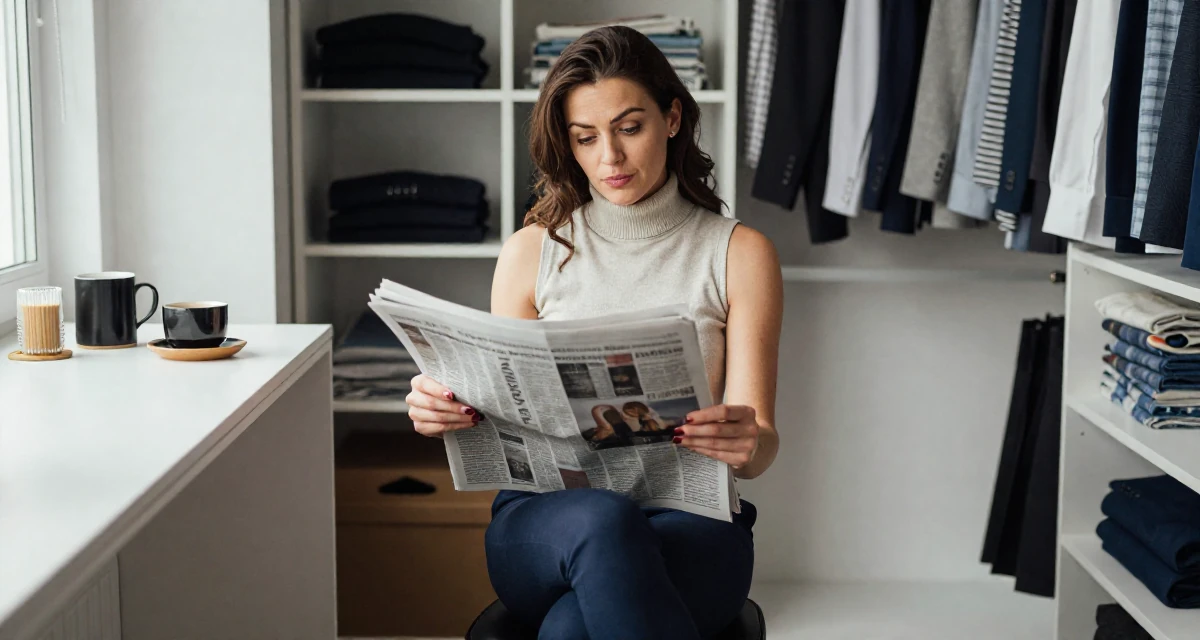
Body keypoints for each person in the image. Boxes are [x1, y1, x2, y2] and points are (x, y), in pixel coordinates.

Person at [404, 26, 782, 640]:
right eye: (585, 138)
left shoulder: (739, 254)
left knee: (571, 629)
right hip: (545, 525)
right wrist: (443, 406)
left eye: (629, 128)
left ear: (674, 118)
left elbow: (761, 444)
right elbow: (502, 410)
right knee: (602, 520)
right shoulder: (532, 252)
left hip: (690, 524)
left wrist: (746, 441)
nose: (609, 157)